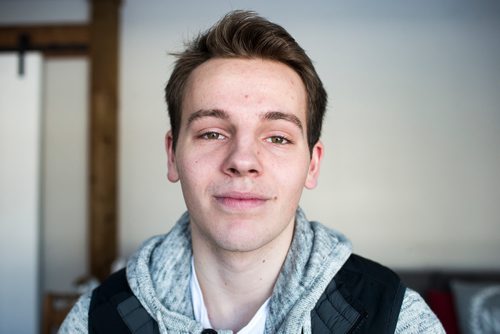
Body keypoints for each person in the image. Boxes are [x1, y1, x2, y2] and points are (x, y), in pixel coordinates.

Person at [60, 10, 444, 334]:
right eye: (212, 132)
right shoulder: (96, 319)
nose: (243, 159)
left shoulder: (395, 319)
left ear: (313, 164)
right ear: (172, 154)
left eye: (277, 138)